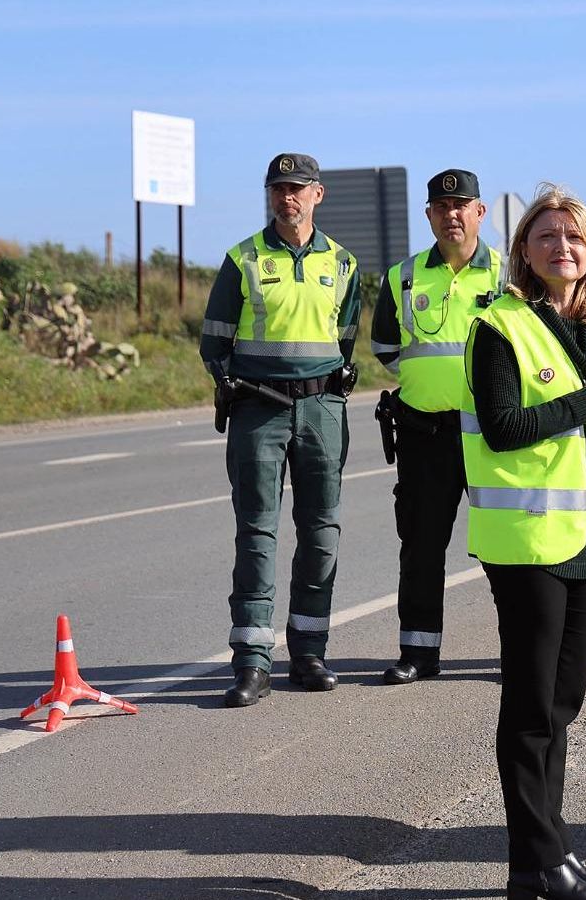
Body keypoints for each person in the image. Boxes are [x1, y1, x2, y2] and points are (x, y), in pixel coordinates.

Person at [462, 184, 586, 900]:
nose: (561, 246)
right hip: (527, 541)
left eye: (573, 236)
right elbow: (504, 428)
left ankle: (538, 863)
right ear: (525, 254)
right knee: (533, 707)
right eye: (546, 237)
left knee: (562, 703)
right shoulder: (498, 327)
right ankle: (545, 860)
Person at [199, 152, 360, 708]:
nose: (286, 197)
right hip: (257, 411)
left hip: (320, 411)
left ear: (318, 194)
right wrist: (236, 385)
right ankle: (251, 663)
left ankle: (310, 653)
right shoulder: (241, 258)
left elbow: (345, 342)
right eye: (277, 188)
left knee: (321, 531)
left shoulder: (342, 263)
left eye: (296, 188)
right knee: (257, 535)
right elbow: (214, 343)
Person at [370, 169, 502, 684]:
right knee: (422, 546)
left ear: (479, 213)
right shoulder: (403, 276)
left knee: (502, 546)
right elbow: (386, 347)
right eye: (441, 207)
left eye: (461, 205)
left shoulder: (510, 274)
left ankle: (518, 649)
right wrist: (430, 385)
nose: (452, 214)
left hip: (493, 434)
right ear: (428, 215)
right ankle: (418, 654)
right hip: (424, 432)